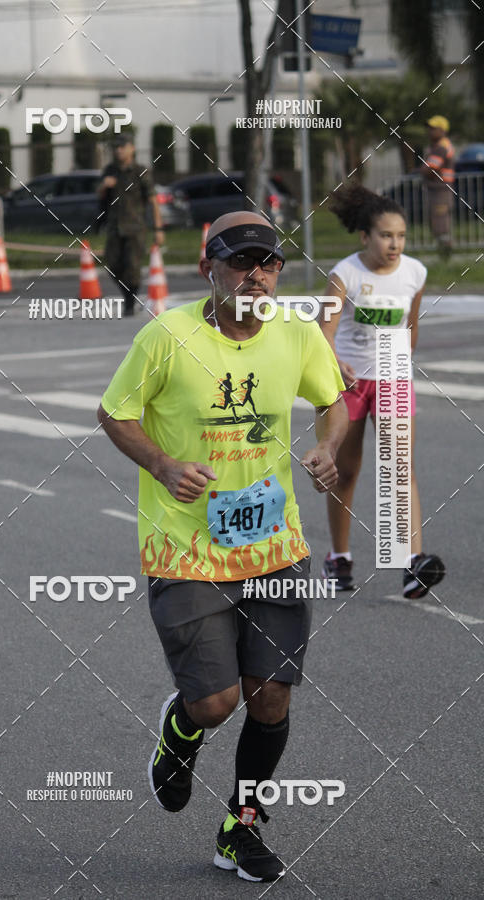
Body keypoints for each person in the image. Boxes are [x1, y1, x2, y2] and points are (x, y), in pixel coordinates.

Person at [98, 210, 347, 882]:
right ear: (208, 267)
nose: (256, 275)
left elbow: (333, 400)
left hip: (274, 545)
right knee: (215, 704)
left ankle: (241, 829)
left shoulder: (296, 334)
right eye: (241, 262)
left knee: (271, 699)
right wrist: (162, 465)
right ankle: (181, 729)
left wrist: (327, 447)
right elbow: (115, 412)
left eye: (269, 263)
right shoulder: (166, 336)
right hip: (185, 549)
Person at [319, 183, 445, 599]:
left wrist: (401, 363)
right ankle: (339, 557)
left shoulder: (415, 273)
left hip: (393, 376)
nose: (395, 244)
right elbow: (324, 331)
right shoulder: (345, 274)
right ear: (365, 237)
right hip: (349, 379)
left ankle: (412, 563)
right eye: (386, 235)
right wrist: (337, 365)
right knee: (346, 471)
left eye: (401, 236)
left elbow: (411, 326)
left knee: (398, 468)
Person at [97, 134, 164, 315]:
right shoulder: (110, 170)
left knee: (132, 267)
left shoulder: (140, 171)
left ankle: (129, 303)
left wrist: (158, 228)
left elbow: (153, 201)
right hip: (114, 226)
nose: (119, 150)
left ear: (131, 148)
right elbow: (99, 194)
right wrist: (104, 186)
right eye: (116, 147)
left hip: (135, 227)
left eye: (122, 146)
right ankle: (128, 296)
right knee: (112, 265)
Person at [419, 115, 455, 258]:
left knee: (440, 223)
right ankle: (444, 255)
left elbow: (431, 168)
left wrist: (421, 170)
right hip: (440, 189)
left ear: (442, 130)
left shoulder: (441, 147)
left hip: (440, 190)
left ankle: (445, 256)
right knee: (438, 222)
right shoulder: (440, 146)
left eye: (433, 128)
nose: (429, 131)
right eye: (429, 128)